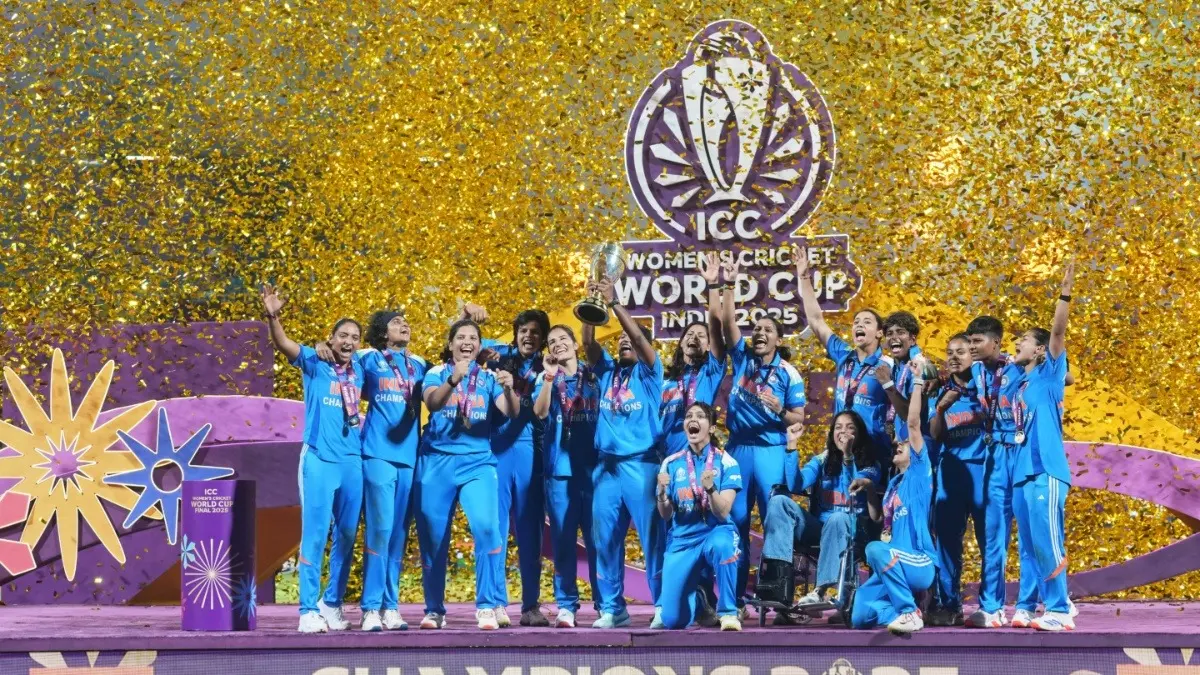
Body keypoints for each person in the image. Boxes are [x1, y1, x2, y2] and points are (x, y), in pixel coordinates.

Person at [260, 285, 364, 634]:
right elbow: (284, 344)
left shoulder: (362, 369)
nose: (348, 341)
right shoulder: (314, 361)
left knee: (348, 536)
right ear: (330, 339)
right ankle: (307, 609)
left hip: (352, 461)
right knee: (315, 535)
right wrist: (273, 316)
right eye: (342, 335)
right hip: (319, 459)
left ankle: (330, 604)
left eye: (354, 336)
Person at [416, 318, 522, 631]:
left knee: (489, 529)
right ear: (450, 344)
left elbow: (511, 411)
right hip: (436, 463)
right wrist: (452, 380)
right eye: (460, 337)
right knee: (433, 540)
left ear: (479, 345)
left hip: (477, 463)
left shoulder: (488, 377)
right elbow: (433, 403)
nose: (467, 342)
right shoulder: (435, 372)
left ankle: (488, 606)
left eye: (473, 337)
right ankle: (434, 610)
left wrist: (509, 388)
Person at [717, 258, 807, 616]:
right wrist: (729, 283)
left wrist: (778, 411)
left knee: (776, 526)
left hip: (771, 450)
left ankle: (778, 600)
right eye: (756, 328)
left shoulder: (789, 373)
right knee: (734, 524)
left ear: (778, 339)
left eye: (767, 329)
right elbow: (726, 324)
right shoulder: (741, 360)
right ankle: (735, 601)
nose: (759, 333)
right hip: (738, 450)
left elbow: (798, 417)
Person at [583, 276, 666, 629]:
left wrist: (616, 304)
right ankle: (613, 607)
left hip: (641, 465)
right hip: (607, 469)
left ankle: (663, 605)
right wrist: (591, 304)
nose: (623, 342)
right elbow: (587, 343)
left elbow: (637, 338)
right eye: (618, 341)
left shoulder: (650, 374)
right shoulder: (607, 373)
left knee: (652, 539)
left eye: (628, 340)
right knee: (604, 541)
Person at [1009, 262, 1077, 631]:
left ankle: (1061, 610)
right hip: (1022, 473)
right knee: (1031, 545)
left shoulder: (1050, 375)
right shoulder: (1019, 385)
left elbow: (1057, 332)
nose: (1016, 344)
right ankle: (1035, 605)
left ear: (1039, 351)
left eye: (1023, 340)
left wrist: (1063, 296)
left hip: (1047, 471)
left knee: (1048, 540)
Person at [761, 411, 880, 622]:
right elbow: (796, 485)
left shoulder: (871, 464)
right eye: (838, 427)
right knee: (779, 500)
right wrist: (792, 447)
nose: (842, 431)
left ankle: (821, 590)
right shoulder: (822, 460)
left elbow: (852, 487)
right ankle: (777, 584)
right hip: (819, 529)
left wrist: (848, 456)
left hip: (854, 530)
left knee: (837, 518)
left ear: (859, 433)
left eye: (849, 427)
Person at [850, 358, 940, 634]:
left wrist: (917, 382)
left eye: (903, 444)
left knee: (874, 549)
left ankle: (908, 611)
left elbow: (912, 424)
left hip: (918, 561)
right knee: (860, 616)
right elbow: (879, 518)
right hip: (893, 563)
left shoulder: (919, 473)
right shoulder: (894, 484)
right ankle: (908, 607)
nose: (899, 446)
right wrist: (868, 490)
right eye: (897, 444)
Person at [478, 306, 552, 627]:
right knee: (494, 528)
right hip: (496, 450)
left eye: (535, 332)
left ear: (543, 338)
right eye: (524, 330)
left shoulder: (549, 365)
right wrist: (464, 315)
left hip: (531, 452)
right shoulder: (498, 353)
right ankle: (493, 603)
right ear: (516, 332)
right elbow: (463, 343)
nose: (528, 336)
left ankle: (530, 606)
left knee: (530, 533)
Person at [963, 314, 1038, 628]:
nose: (973, 347)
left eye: (978, 341)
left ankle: (1027, 606)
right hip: (994, 455)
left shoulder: (1019, 366)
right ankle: (992, 607)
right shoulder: (976, 370)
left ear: (996, 342)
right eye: (970, 342)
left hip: (1021, 453)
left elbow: (1066, 378)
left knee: (1029, 534)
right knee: (993, 535)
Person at [795, 247, 891, 467]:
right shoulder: (844, 356)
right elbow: (816, 321)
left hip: (873, 450)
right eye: (856, 322)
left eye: (867, 322)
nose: (859, 324)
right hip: (839, 447)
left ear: (879, 333)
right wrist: (803, 276)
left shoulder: (887, 365)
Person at [532, 324, 601, 628]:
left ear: (575, 344)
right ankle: (566, 605)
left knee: (599, 540)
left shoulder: (596, 375)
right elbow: (540, 412)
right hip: (560, 471)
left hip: (595, 470)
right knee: (563, 541)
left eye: (563, 339)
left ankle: (605, 602)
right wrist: (548, 377)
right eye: (551, 342)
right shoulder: (546, 378)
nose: (558, 344)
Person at [655, 402, 744, 631]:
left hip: (715, 531)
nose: (693, 419)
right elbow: (665, 515)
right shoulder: (671, 464)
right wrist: (662, 494)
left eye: (701, 416)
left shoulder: (727, 462)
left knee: (724, 546)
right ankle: (699, 600)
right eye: (689, 416)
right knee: (672, 621)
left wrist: (711, 490)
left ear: (712, 428)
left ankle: (728, 613)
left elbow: (723, 512)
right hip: (683, 539)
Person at [926, 333, 986, 627]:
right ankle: (949, 605)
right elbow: (936, 435)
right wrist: (940, 408)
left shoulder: (989, 385)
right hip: (950, 474)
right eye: (949, 352)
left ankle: (990, 605)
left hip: (984, 474)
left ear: (973, 355)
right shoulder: (940, 393)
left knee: (990, 544)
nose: (952, 357)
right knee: (947, 546)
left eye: (960, 352)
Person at [660, 252, 729, 455]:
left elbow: (716, 329)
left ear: (709, 346)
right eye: (690, 334)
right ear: (681, 343)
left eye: (701, 335)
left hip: (697, 456)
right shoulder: (666, 380)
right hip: (664, 458)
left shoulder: (710, 372)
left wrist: (714, 285)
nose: (694, 337)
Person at [880, 311, 924, 448]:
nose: (894, 337)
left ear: (912, 339)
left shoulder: (918, 366)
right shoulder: (897, 367)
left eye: (900, 332)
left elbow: (910, 415)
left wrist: (887, 384)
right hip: (904, 445)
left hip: (919, 447)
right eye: (889, 333)